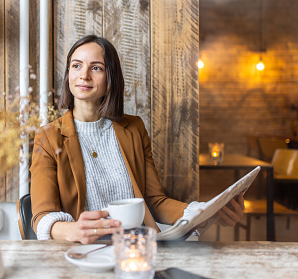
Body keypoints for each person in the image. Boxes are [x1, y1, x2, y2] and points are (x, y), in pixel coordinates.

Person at [30, 34, 244, 244]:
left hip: (138, 248)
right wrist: (74, 230)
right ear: (68, 74)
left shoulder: (133, 129)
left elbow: (154, 202)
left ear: (110, 78)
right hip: (84, 251)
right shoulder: (48, 137)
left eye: (96, 68)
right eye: (76, 66)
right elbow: (43, 217)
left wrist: (205, 211)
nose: (84, 75)